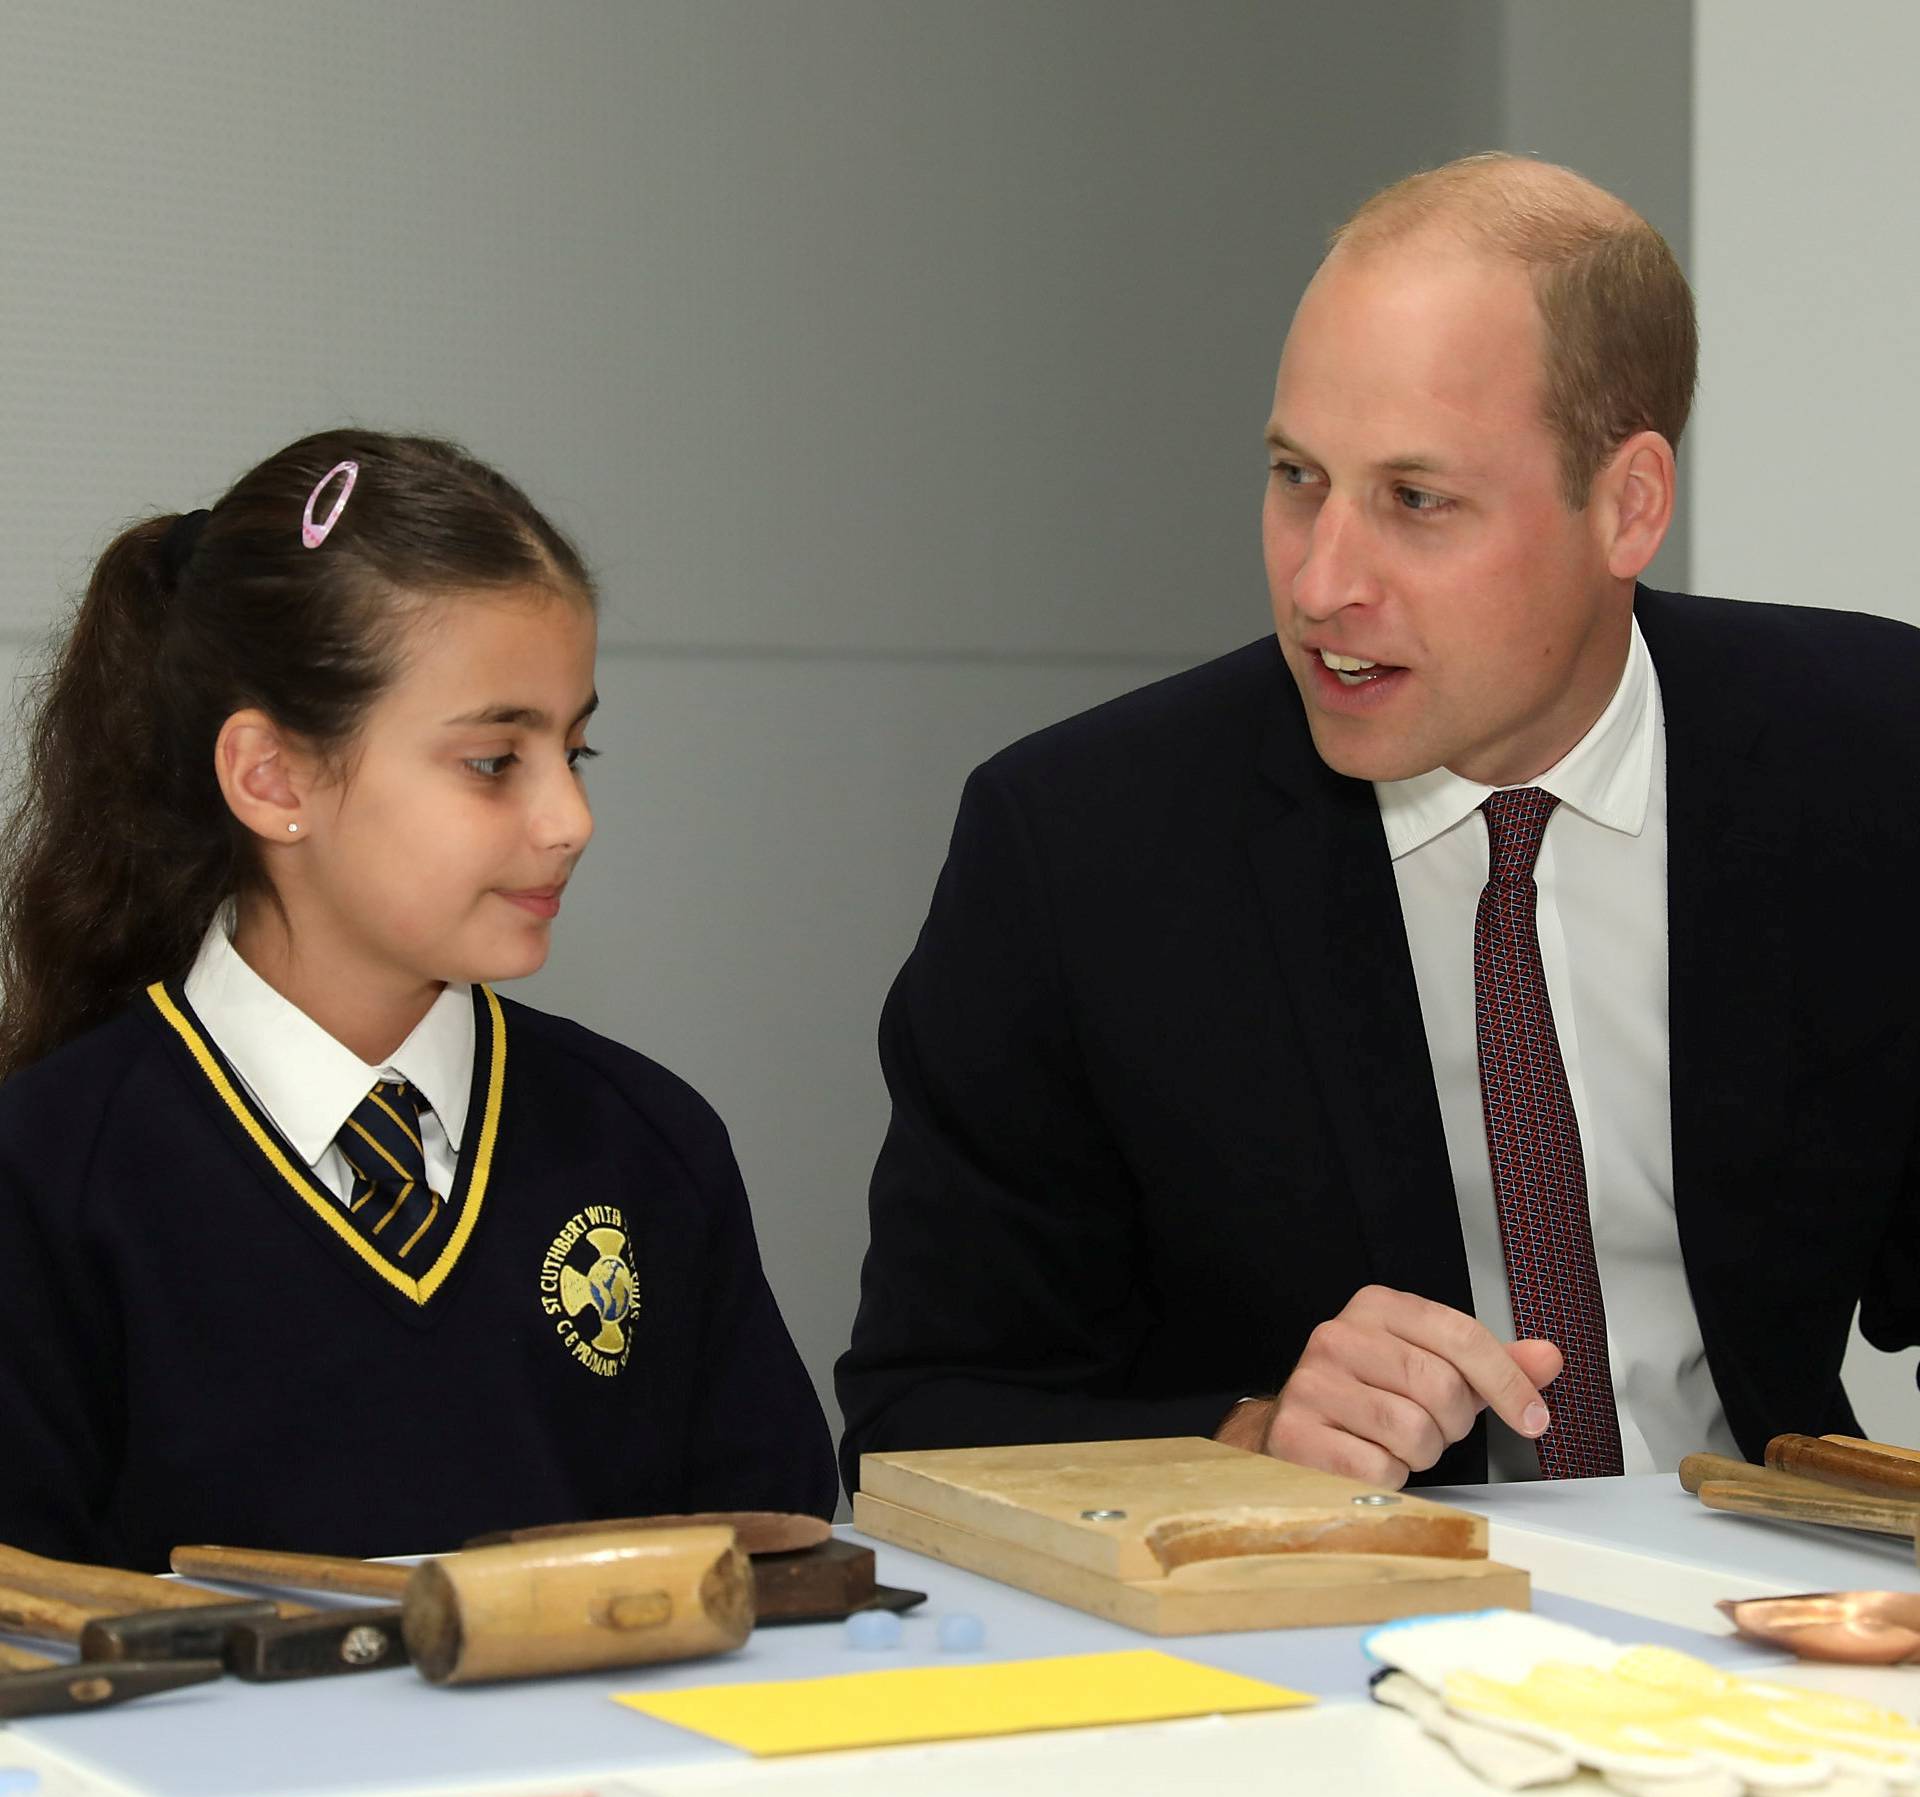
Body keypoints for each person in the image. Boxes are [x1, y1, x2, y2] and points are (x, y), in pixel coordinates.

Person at [837, 153, 1920, 1493]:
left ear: (1629, 504)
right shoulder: (1083, 848)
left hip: (1762, 1628)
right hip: (1314, 1648)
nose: (1321, 581)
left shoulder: (1873, 760)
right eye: (1299, 478)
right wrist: (1247, 1441)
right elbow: (921, 1418)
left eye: (1417, 501)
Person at [0, 430, 836, 1569]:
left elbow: (782, 1576)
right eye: (495, 760)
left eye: (576, 752)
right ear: (272, 776)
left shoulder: (646, 1144)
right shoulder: (48, 1180)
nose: (568, 820)